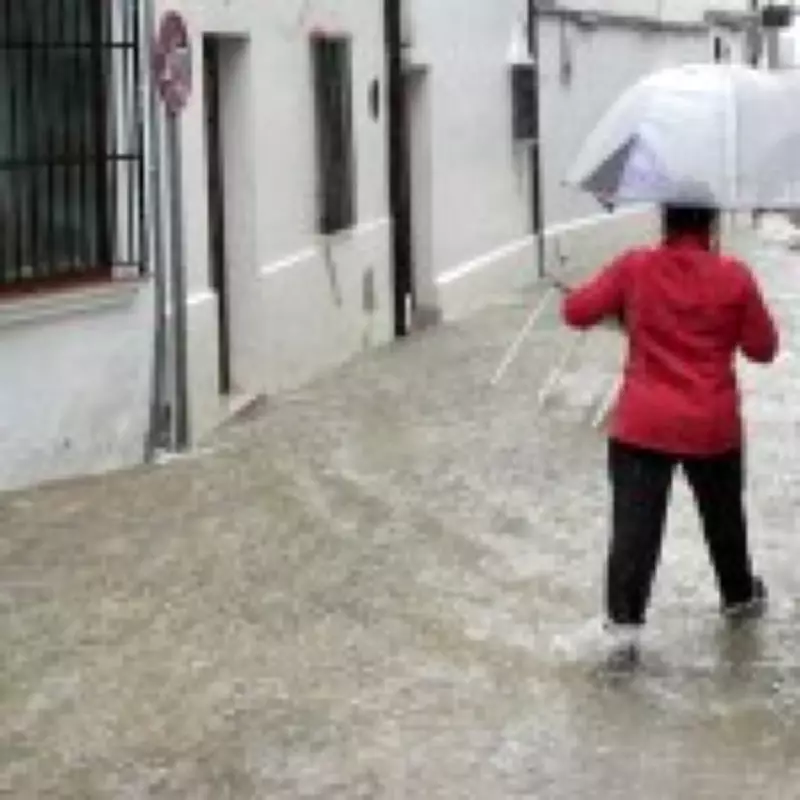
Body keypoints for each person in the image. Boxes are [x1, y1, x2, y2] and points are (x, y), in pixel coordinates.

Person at [561, 204, 779, 662]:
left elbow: (576, 312)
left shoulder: (634, 267)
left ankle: (622, 638)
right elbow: (763, 349)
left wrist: (627, 311)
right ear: (713, 222)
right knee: (724, 523)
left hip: (643, 424)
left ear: (664, 219)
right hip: (712, 427)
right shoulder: (734, 276)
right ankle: (739, 602)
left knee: (633, 534)